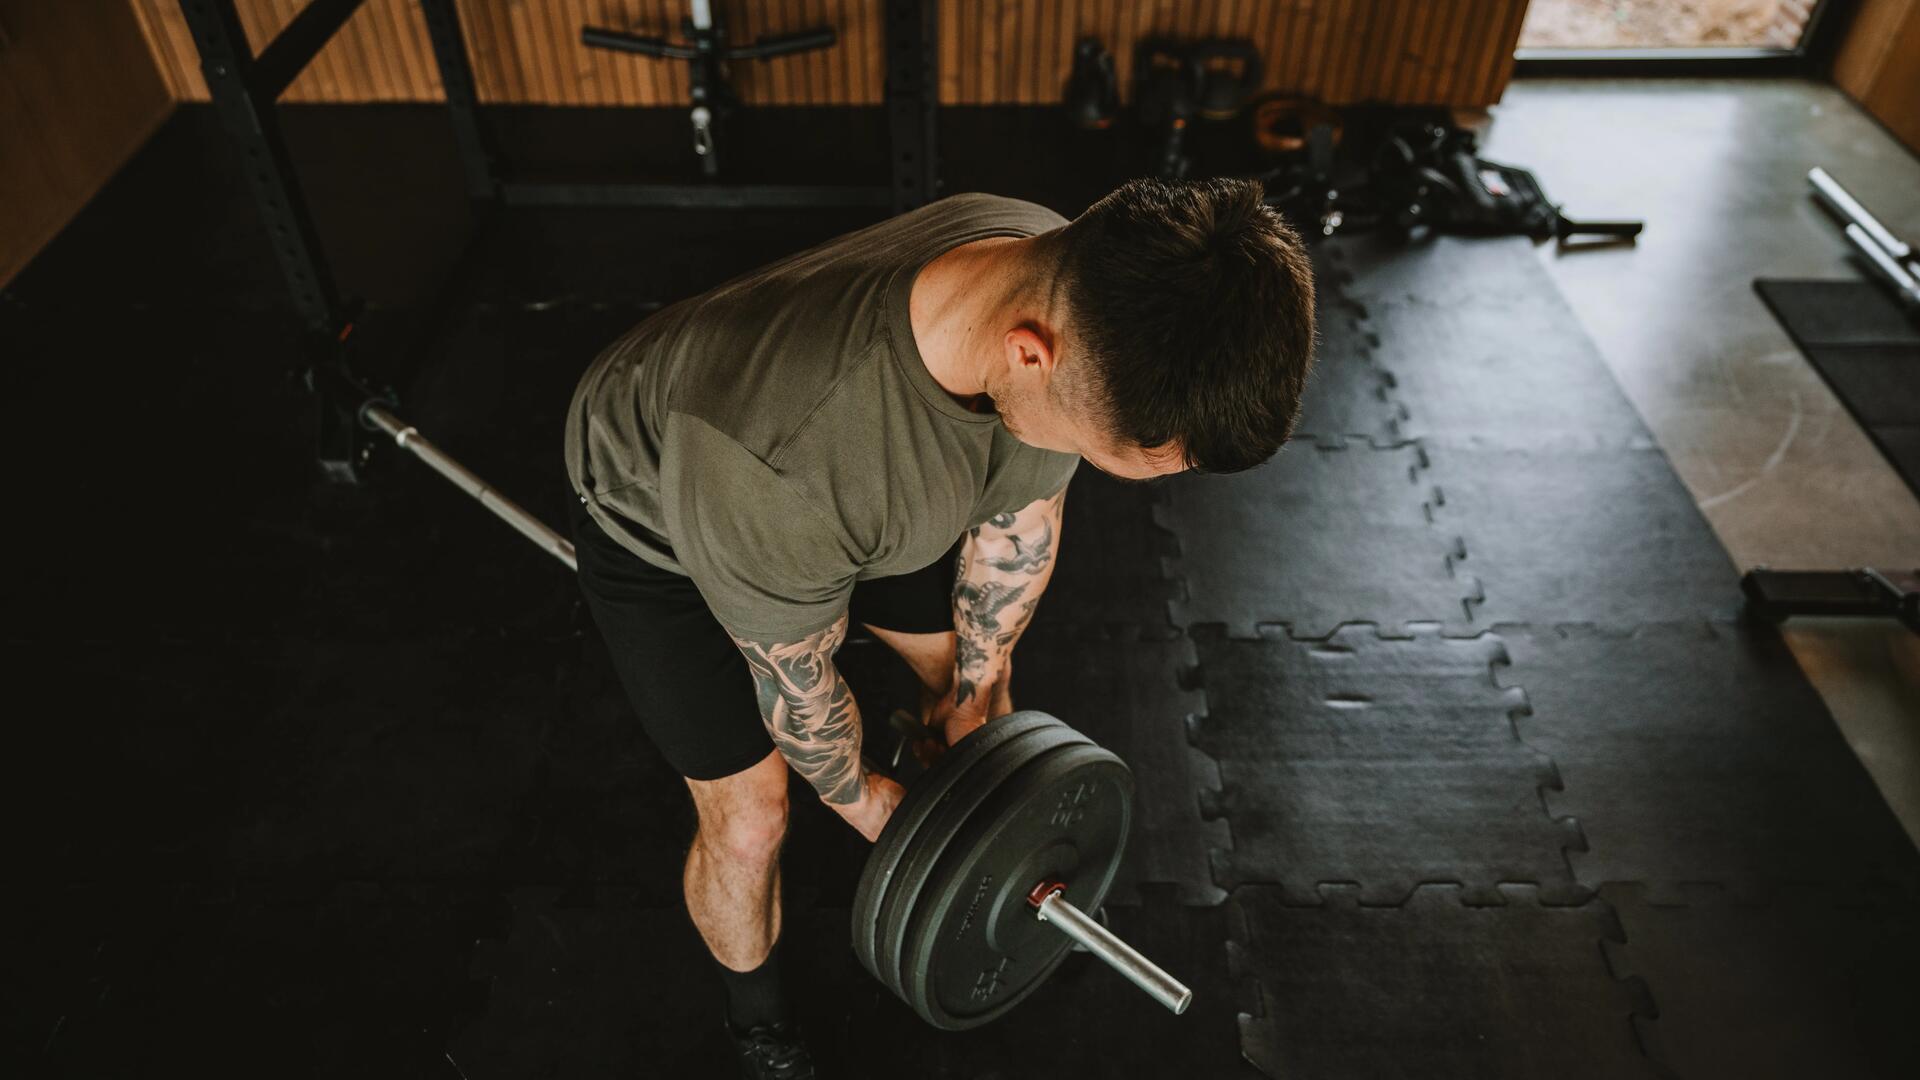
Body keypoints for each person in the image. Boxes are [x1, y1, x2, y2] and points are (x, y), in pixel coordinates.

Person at [563, 177, 1317, 1078]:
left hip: (839, 490)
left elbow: (1019, 526)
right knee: (753, 816)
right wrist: (880, 808)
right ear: (1029, 355)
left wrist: (978, 691)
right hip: (666, 517)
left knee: (965, 685)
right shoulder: (785, 467)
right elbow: (798, 688)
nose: (1099, 465)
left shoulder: (1078, 274)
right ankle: (756, 1018)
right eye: (1114, 456)